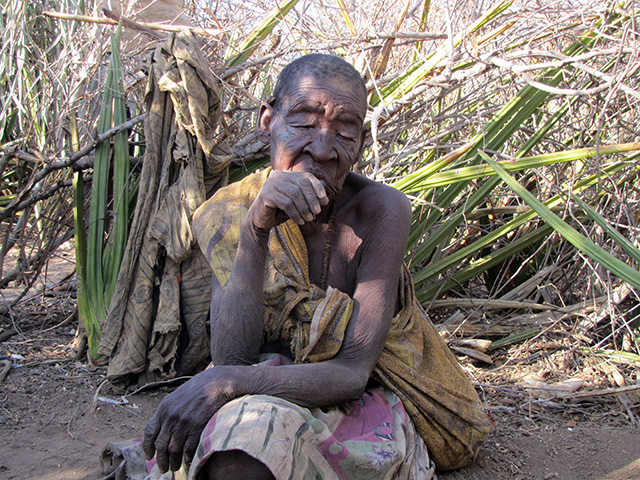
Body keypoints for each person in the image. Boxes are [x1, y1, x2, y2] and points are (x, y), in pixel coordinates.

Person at [142, 53, 491, 480]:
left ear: (360, 142)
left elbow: (352, 373)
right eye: (304, 124)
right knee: (237, 445)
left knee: (242, 455)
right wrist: (255, 229)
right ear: (267, 120)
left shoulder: (381, 211)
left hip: (355, 399)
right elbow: (233, 355)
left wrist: (226, 384)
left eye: (345, 132)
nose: (323, 150)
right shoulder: (231, 209)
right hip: (262, 384)